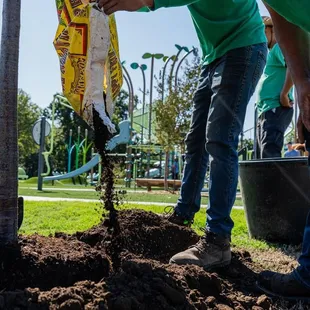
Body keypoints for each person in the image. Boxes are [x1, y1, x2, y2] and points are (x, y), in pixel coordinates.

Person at [98, 0, 267, 268]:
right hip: (213, 57)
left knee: (220, 139)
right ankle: (183, 215)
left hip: (243, 46)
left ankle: (218, 240)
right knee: (196, 141)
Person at [255, 0, 310, 299]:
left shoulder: (277, 47)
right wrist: (302, 85)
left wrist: (287, 92)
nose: (265, 34)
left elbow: (290, 60)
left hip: (278, 107)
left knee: (272, 156)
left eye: (267, 30)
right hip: (275, 105)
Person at [256, 17, 294, 159]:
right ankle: (267, 181)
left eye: (263, 31)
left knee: (270, 153)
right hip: (267, 109)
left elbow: (293, 66)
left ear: (274, 31)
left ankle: (273, 181)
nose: (260, 35)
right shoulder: (273, 52)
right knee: (264, 153)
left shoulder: (279, 47)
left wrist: (284, 93)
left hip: (275, 106)